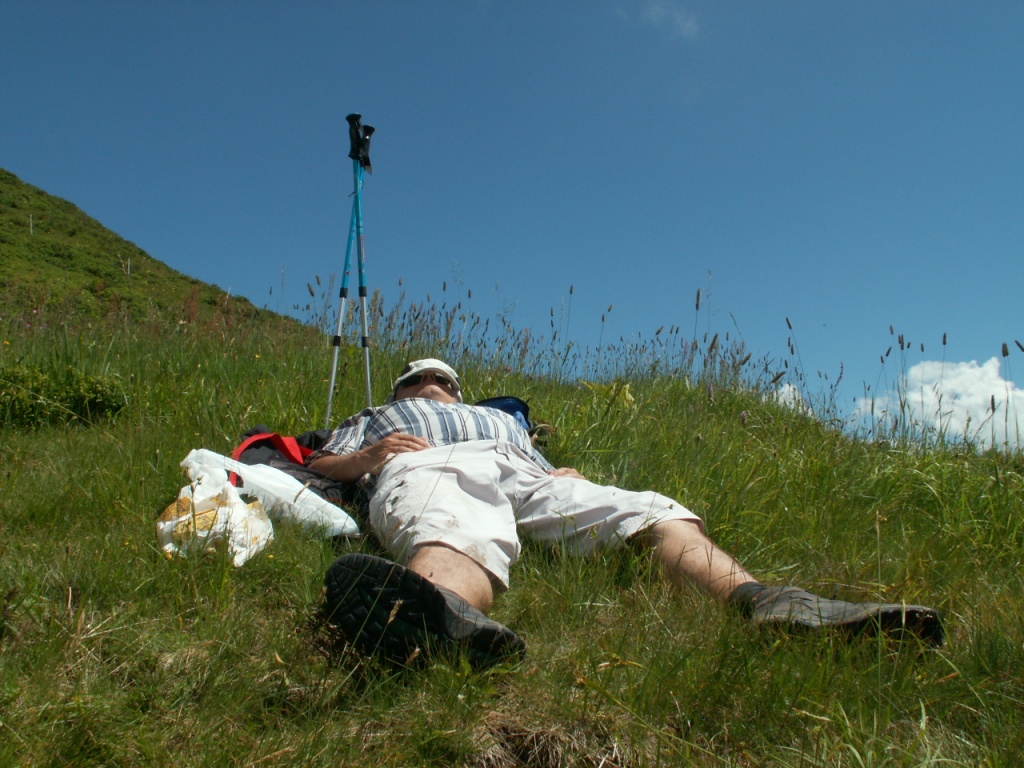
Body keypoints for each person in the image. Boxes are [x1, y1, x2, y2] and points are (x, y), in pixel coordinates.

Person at [310, 358, 943, 668]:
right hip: (432, 461)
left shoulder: (501, 417)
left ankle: (766, 602)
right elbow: (316, 463)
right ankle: (435, 617)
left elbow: (538, 460)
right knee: (456, 517)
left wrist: (561, 471)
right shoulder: (377, 417)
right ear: (399, 390)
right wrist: (365, 457)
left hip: (528, 471)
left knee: (643, 509)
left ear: (458, 389)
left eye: (443, 380)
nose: (431, 384)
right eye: (417, 380)